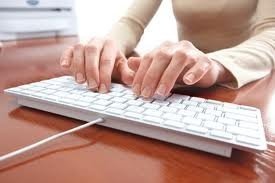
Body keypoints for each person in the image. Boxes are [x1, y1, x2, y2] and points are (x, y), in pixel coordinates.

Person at [60, 0, 275, 98]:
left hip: (240, 85)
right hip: (179, 83)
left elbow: (270, 32)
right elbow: (131, 22)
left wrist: (216, 65)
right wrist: (108, 45)